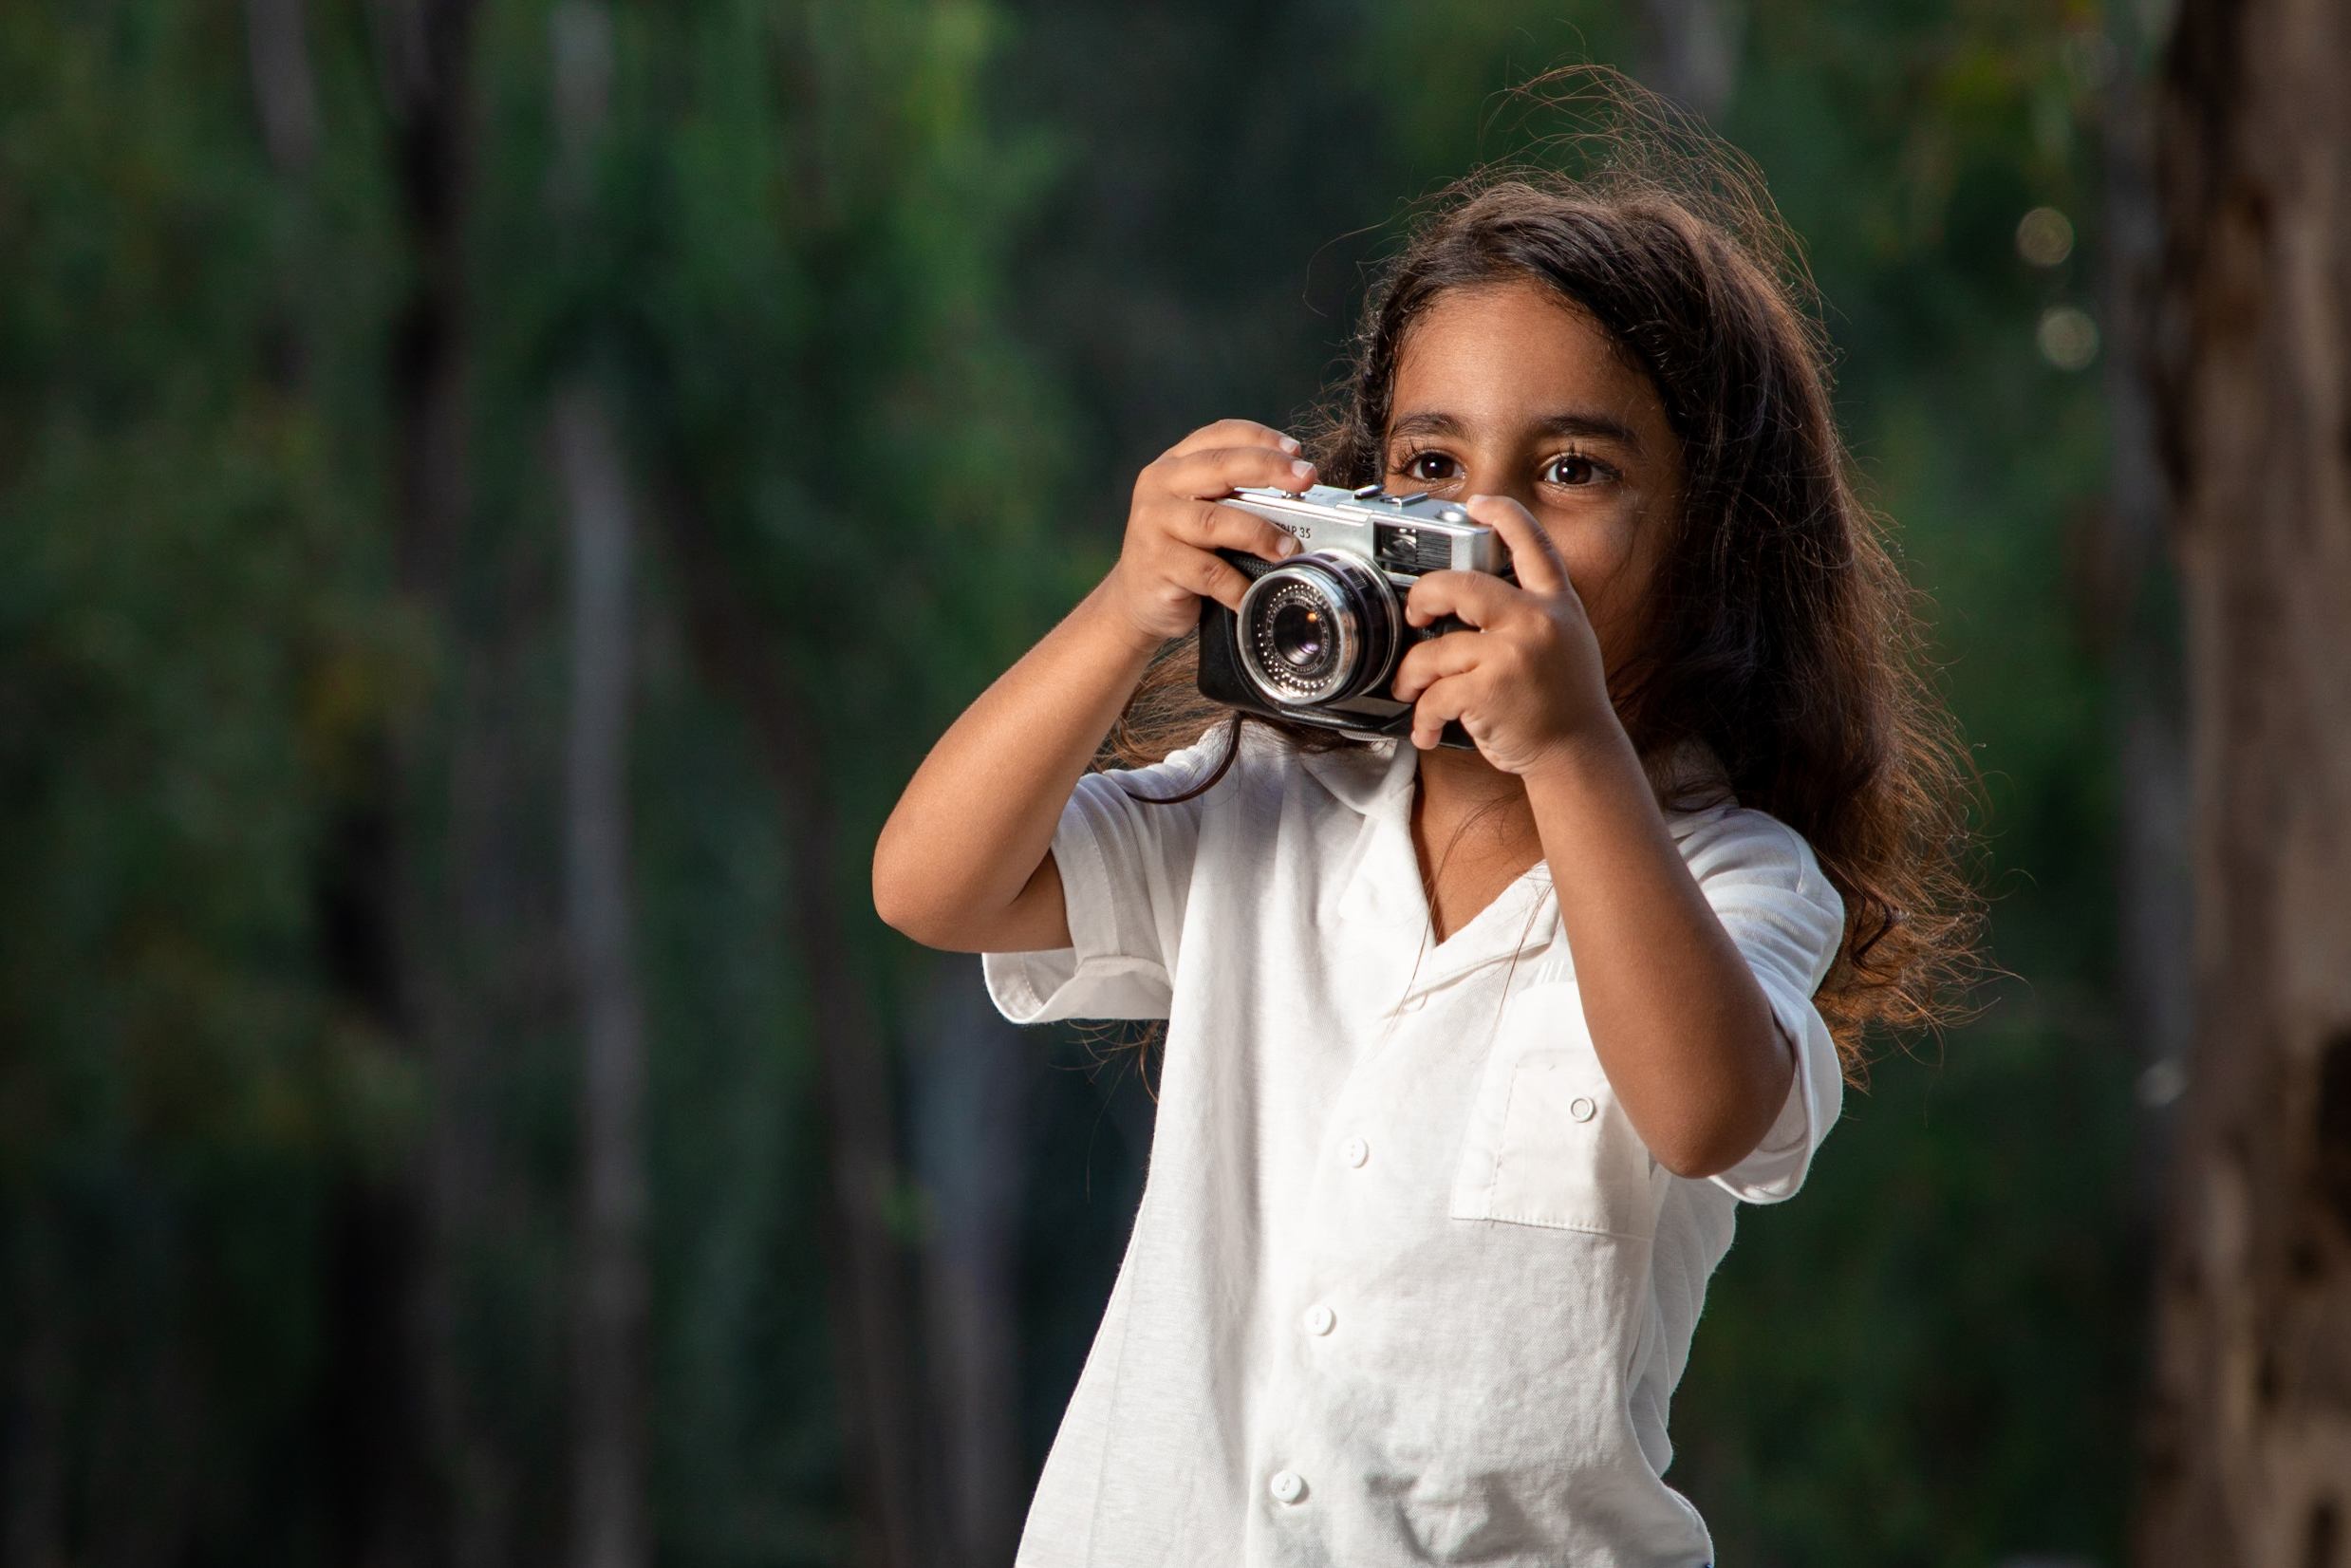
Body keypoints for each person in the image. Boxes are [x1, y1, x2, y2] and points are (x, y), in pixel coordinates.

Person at [872, 113, 1976, 1565]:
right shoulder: (1258, 804)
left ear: (1712, 537)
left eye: (1570, 472)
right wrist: (1125, 605)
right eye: (1428, 465)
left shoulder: (1730, 873)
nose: (1485, 526)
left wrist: (1573, 747)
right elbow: (929, 886)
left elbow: (1706, 1111)